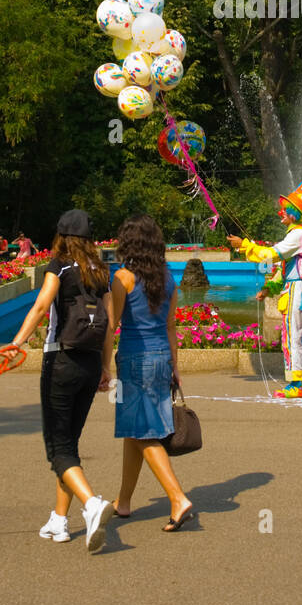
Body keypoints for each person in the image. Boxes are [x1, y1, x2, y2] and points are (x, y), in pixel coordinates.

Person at [8, 208, 123, 552]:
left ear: (62, 236)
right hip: (89, 365)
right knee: (69, 444)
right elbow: (110, 323)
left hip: (60, 360)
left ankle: (91, 504)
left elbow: (42, 305)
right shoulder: (101, 272)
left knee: (57, 448)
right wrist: (106, 368)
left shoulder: (59, 265)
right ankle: (59, 521)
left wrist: (15, 344)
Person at [110, 215, 195, 532]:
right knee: (134, 431)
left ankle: (177, 497)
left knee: (142, 431)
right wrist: (175, 366)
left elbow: (113, 323)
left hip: (134, 361)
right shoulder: (168, 278)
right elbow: (172, 326)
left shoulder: (123, 278)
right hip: (161, 359)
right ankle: (124, 501)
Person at [228, 179, 302, 400]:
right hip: (298, 288)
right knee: (297, 335)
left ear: (293, 213)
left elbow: (271, 255)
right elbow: (285, 269)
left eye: (284, 210)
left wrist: (245, 246)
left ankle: (296, 384)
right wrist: (269, 288)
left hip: (297, 289)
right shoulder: (296, 235)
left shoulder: (298, 235)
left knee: (292, 336)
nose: (280, 213)